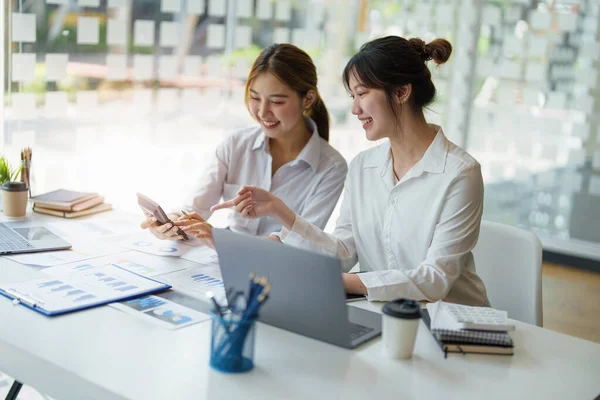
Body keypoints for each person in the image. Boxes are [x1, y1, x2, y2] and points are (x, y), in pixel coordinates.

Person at [209, 36, 490, 306]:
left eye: (362, 94)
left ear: (402, 92)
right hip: (386, 314)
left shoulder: (460, 173)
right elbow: (343, 253)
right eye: (352, 96)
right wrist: (280, 212)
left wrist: (340, 282)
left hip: (455, 328)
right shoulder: (363, 166)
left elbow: (435, 280)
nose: (354, 109)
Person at [140, 44, 347, 246]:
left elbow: (298, 242)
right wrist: (171, 224)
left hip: (280, 268)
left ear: (308, 99)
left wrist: (221, 241)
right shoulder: (236, 144)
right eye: (255, 97)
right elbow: (195, 208)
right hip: (224, 255)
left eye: (276, 102)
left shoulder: (331, 167)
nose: (263, 112)